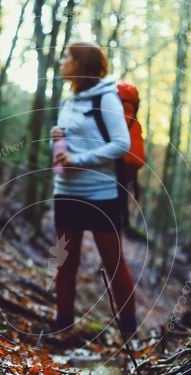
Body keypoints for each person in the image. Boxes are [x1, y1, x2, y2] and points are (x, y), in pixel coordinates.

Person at [49, 41, 137, 340]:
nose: (61, 61)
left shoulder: (107, 99)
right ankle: (63, 325)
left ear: (81, 65)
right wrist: (58, 141)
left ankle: (129, 334)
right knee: (64, 261)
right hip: (66, 190)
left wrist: (79, 160)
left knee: (113, 264)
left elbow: (120, 144)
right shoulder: (68, 100)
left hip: (100, 193)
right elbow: (69, 144)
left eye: (67, 57)